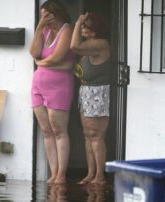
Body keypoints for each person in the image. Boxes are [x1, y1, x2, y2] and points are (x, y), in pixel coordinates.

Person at [29, 0, 75, 184]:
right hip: (38, 85)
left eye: (45, 15)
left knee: (59, 130)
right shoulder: (44, 30)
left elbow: (57, 57)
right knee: (46, 130)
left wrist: (41, 62)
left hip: (59, 87)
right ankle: (54, 173)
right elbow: (33, 52)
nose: (43, 18)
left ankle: (62, 175)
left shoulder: (67, 30)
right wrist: (39, 27)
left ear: (54, 14)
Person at [70, 12, 111, 185]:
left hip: (98, 93)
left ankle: (100, 176)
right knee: (87, 135)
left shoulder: (100, 44)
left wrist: (77, 23)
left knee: (96, 135)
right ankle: (91, 173)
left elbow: (73, 47)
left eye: (87, 25)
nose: (83, 28)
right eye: (83, 25)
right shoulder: (88, 46)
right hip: (86, 92)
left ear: (96, 30)